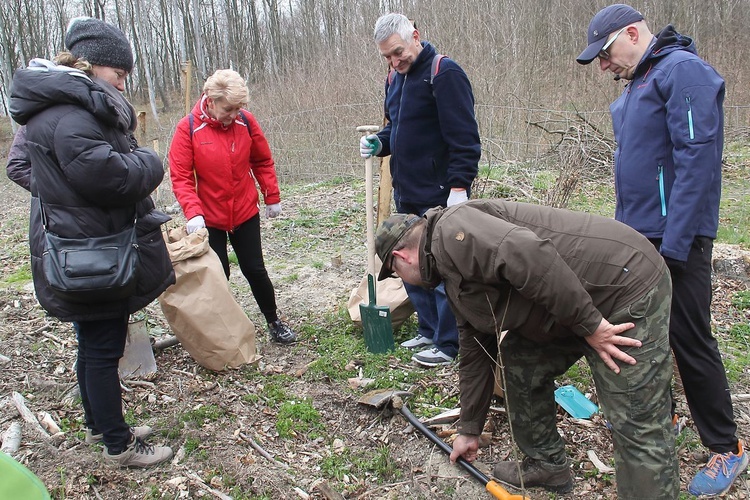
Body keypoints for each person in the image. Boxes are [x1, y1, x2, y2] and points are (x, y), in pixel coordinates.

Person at [375, 200, 678, 499]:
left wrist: (591, 325)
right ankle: (546, 465)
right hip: (568, 303)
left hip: (622, 287)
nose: (402, 280)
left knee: (636, 417)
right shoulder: (448, 271)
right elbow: (476, 349)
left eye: (395, 273)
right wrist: (469, 428)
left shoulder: (454, 232)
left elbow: (532, 254)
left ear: (402, 257)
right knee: (520, 360)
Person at [576, 4, 745, 496]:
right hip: (637, 236)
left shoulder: (682, 71)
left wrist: (674, 245)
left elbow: (697, 162)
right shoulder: (639, 84)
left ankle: (726, 447)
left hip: (677, 239)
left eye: (605, 54)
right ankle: (661, 418)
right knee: (645, 336)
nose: (604, 66)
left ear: (633, 33)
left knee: (689, 338)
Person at [8, 17, 175, 467]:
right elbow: (114, 178)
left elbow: (56, 171)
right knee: (103, 345)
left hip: (82, 242)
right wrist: (148, 160)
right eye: (118, 75)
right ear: (91, 66)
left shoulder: (58, 110)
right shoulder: (71, 115)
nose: (122, 84)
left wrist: (62, 197)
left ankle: (99, 423)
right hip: (93, 249)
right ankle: (119, 445)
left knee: (92, 341)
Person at [360, 13, 480, 367]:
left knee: (441, 268)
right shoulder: (394, 79)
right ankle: (428, 329)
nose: (395, 62)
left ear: (415, 36)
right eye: (387, 57)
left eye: (398, 52)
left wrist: (459, 187)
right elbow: (396, 128)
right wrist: (379, 144)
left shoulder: (444, 73)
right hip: (407, 190)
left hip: (440, 193)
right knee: (408, 264)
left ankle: (448, 343)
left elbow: (465, 139)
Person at [168, 69, 297, 344]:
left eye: (239, 108)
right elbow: (180, 176)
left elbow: (262, 160)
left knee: (255, 269)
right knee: (218, 274)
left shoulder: (246, 123)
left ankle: (274, 321)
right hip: (209, 217)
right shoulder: (188, 128)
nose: (234, 114)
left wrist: (271, 196)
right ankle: (222, 332)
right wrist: (193, 213)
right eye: (229, 108)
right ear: (210, 100)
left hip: (244, 211)